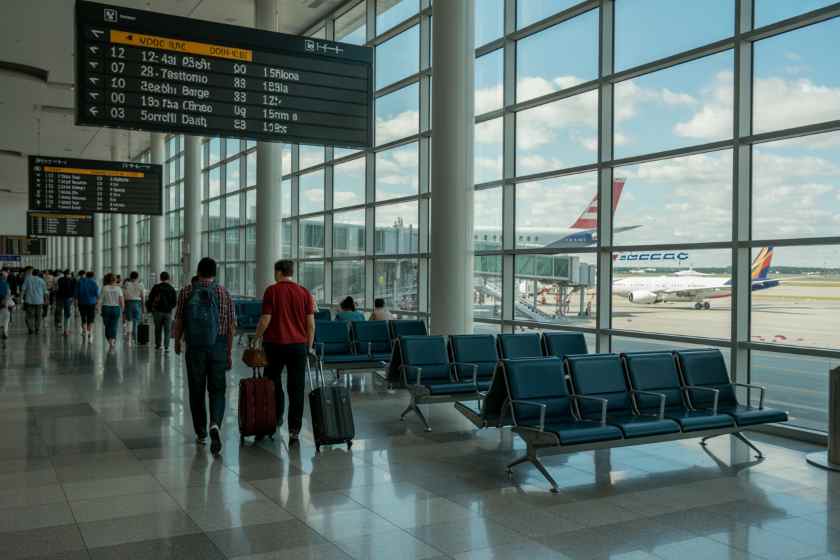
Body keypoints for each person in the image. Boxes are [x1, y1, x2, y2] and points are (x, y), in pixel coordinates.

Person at [173, 258, 236, 455]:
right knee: (217, 390)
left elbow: (180, 319)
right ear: (215, 273)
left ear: (198, 271)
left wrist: (177, 341)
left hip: (195, 347)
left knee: (196, 390)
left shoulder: (186, 292)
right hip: (218, 345)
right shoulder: (224, 293)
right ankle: (215, 423)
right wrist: (228, 351)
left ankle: (201, 433)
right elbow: (232, 327)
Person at [253, 260, 315, 445]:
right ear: (291, 272)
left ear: (278, 272)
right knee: (296, 388)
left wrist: (256, 338)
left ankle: (274, 419)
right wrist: (308, 347)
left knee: (272, 383)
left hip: (274, 345)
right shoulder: (304, 292)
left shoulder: (272, 291)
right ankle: (294, 431)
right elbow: (310, 325)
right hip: (298, 346)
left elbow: (265, 319)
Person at [147, 271, 177, 351]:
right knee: (167, 329)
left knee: (158, 329)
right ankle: (166, 346)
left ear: (160, 278)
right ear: (168, 278)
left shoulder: (156, 287)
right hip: (168, 312)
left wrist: (152, 309)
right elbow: (174, 302)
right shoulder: (171, 288)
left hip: (157, 311)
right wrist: (169, 307)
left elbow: (150, 298)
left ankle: (158, 345)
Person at [99, 273, 123, 350]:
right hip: (116, 308)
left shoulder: (104, 288)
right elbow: (121, 301)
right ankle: (112, 340)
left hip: (106, 308)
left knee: (107, 325)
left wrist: (97, 307)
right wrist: (122, 309)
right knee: (114, 325)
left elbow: (100, 299)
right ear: (115, 280)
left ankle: (110, 340)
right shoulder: (118, 288)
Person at [21, 267, 47, 334]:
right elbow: (45, 292)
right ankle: (37, 329)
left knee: (29, 316)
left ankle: (30, 328)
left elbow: (23, 290)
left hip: (29, 301)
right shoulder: (42, 280)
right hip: (39, 301)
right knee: (38, 316)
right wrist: (46, 300)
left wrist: (21, 299)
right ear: (39, 274)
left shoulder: (27, 279)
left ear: (32, 273)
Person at [122, 271, 145, 345]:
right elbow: (142, 297)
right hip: (137, 303)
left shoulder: (126, 284)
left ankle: (129, 339)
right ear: (137, 277)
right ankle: (135, 338)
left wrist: (124, 305)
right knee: (136, 321)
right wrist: (143, 307)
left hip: (128, 303)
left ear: (130, 277)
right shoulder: (141, 285)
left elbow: (123, 295)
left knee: (129, 321)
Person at [77, 271, 99, 342]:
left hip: (82, 302)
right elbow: (97, 294)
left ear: (86, 275)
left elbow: (76, 293)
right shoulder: (94, 283)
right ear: (93, 276)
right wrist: (97, 304)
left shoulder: (80, 282)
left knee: (83, 317)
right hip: (91, 303)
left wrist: (76, 301)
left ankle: (84, 331)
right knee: (90, 318)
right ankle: (89, 332)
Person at [56, 270, 76, 335]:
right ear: (68, 274)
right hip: (67, 298)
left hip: (60, 297)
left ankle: (61, 324)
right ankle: (66, 330)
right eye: (69, 274)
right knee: (67, 314)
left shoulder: (60, 280)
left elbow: (57, 288)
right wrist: (73, 297)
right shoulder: (72, 280)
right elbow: (73, 290)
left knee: (60, 310)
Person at [0, 270, 10, 340]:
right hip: (3, 301)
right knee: (6, 316)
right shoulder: (6, 284)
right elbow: (7, 294)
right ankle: (5, 331)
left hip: (2, 301)